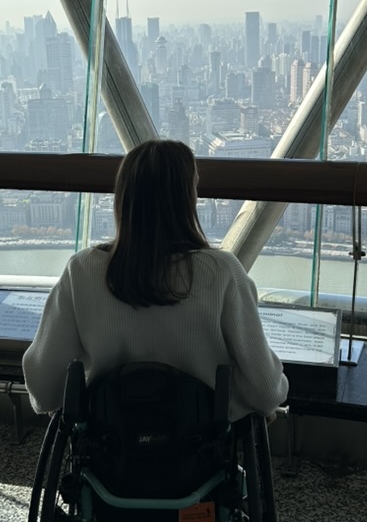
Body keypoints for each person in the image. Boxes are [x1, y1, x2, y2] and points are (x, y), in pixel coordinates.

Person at [22, 139, 288, 420]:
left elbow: (42, 390)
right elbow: (267, 392)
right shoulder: (222, 272)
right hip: (197, 451)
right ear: (187, 198)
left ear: (123, 197)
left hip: (111, 448)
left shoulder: (82, 270)